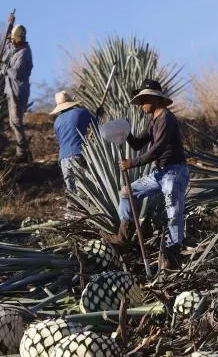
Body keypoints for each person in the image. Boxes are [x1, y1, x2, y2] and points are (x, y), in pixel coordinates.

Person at [104, 79, 189, 271]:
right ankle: (124, 236)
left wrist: (132, 163)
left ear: (155, 98)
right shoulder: (154, 121)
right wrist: (125, 132)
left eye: (143, 100)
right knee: (127, 192)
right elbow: (138, 144)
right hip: (160, 173)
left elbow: (157, 149)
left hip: (174, 172)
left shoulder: (166, 118)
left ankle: (173, 253)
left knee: (174, 212)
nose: (141, 105)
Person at [51, 91, 98, 195]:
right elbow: (97, 127)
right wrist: (99, 114)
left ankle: (72, 210)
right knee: (84, 191)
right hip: (78, 154)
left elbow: (60, 141)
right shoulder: (82, 112)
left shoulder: (57, 121)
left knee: (72, 193)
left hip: (63, 158)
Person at [0, 24, 33, 162]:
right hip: (11, 90)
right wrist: (11, 25)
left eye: (13, 39)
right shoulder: (17, 48)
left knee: (16, 121)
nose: (11, 41)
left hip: (18, 91)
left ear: (19, 39)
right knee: (13, 122)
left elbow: (15, 73)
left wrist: (1, 65)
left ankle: (22, 153)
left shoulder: (24, 53)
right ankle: (23, 151)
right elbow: (10, 48)